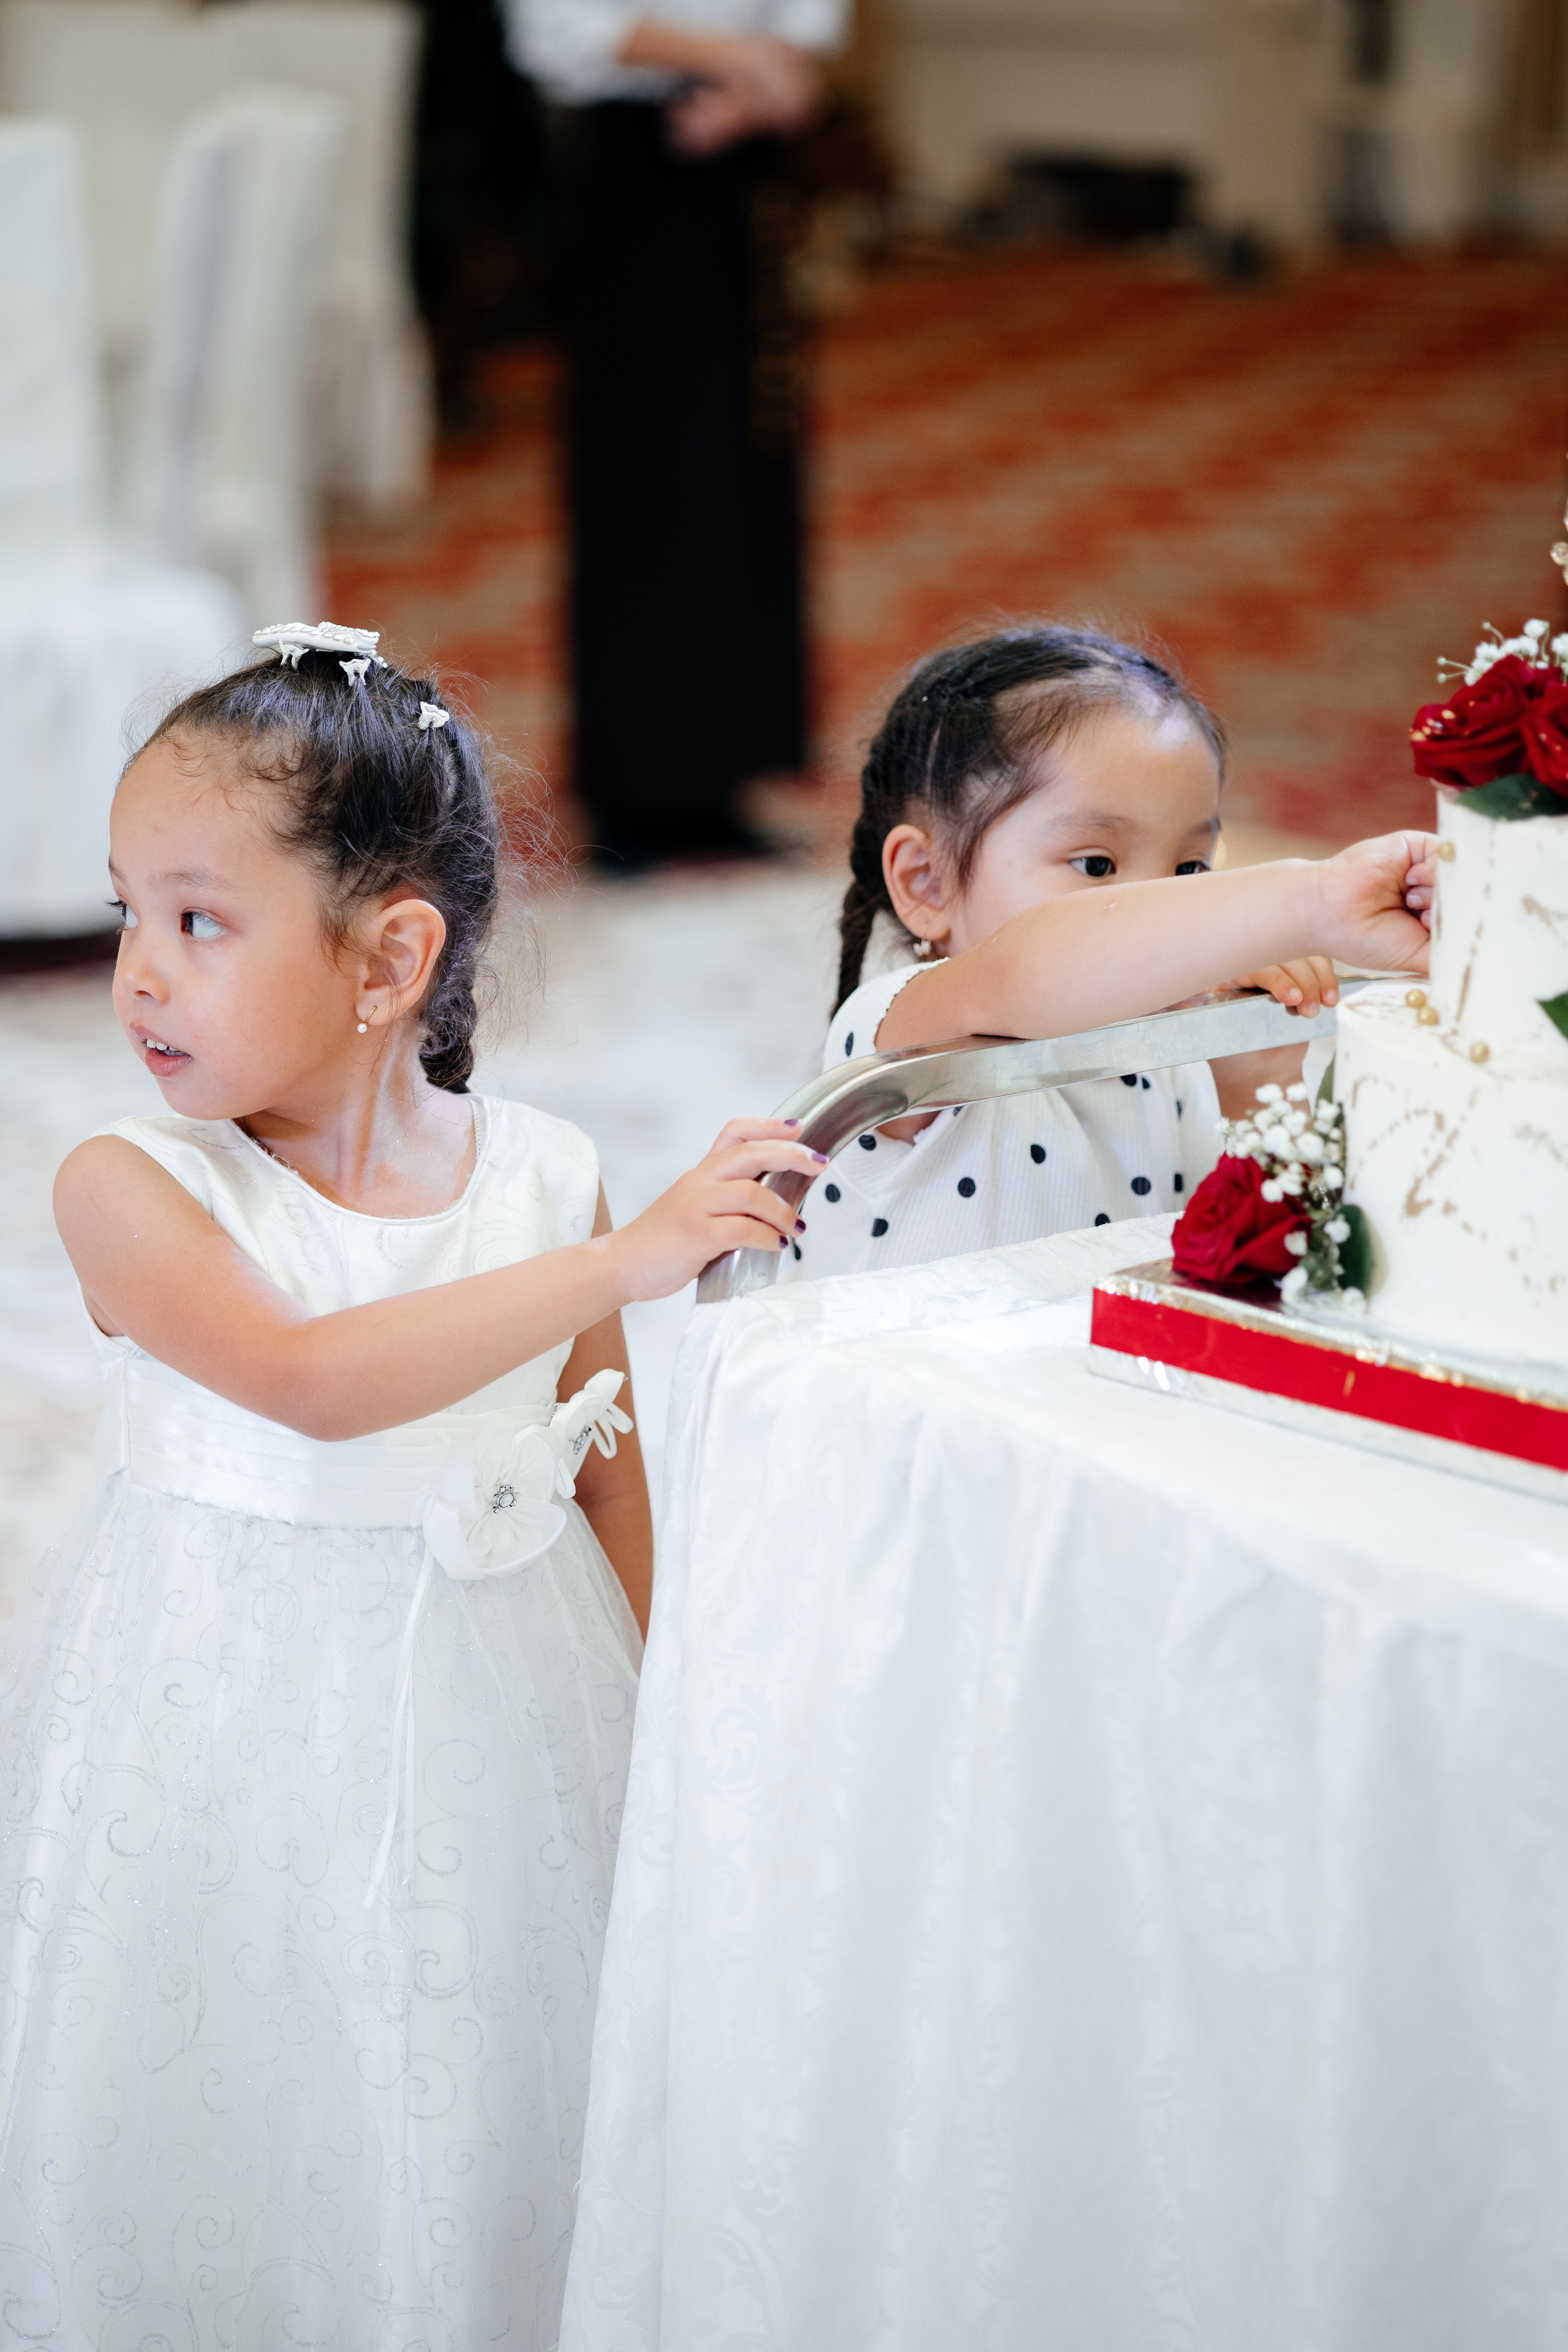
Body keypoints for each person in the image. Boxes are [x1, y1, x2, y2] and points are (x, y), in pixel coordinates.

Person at [0, 625, 824, 2346]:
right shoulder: (130, 1191)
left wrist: (666, 1716)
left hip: (505, 1718)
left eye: (197, 920)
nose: (135, 968)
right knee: (238, 2063)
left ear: (389, 961)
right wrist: (634, 1262)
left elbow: (604, 1472)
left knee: (479, 2069)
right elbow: (306, 1383)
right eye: (127, 905)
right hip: (223, 1731)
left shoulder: (542, 1175)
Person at [791, 624, 1435, 1278]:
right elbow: (1028, 970)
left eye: (1189, 871)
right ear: (926, 882)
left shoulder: (1167, 1057)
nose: (1164, 907)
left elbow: (1227, 1246)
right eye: (1097, 864)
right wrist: (1306, 902)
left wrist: (1257, 1063)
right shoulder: (897, 1029)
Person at [504, 0, 846, 866]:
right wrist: (732, 59)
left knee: (742, 475)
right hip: (637, 162)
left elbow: (805, 24)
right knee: (644, 478)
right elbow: (558, 28)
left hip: (744, 162)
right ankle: (633, 790)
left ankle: (722, 773)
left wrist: (761, 84)